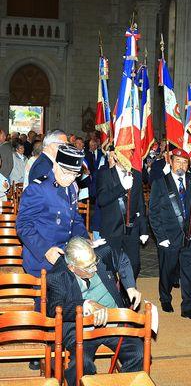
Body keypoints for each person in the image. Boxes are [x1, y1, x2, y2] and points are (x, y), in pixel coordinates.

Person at [47, 236, 142, 386]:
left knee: (138, 352)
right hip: (81, 330)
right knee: (81, 363)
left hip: (113, 322)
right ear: (72, 267)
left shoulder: (101, 254)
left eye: (94, 262)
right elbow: (54, 309)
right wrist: (85, 305)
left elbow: (122, 258)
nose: (95, 268)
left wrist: (130, 286)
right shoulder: (57, 276)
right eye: (89, 267)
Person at [149, 148, 191, 319]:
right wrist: (161, 238)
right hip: (169, 236)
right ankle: (165, 297)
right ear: (171, 162)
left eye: (185, 162)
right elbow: (153, 213)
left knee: (188, 272)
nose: (181, 165)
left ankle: (188, 306)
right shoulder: (160, 183)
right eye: (178, 161)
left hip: (189, 236)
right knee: (167, 270)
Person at [16, 144, 88, 278]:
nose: (70, 178)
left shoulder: (71, 187)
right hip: (42, 263)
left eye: (75, 174)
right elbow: (23, 226)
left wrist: (85, 242)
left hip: (65, 260)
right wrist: (46, 250)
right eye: (66, 172)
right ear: (55, 166)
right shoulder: (38, 189)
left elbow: (75, 219)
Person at [96, 148, 148, 280]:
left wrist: (143, 229)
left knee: (134, 265)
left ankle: (127, 294)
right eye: (124, 155)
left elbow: (140, 204)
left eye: (129, 154)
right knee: (110, 267)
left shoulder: (136, 175)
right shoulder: (105, 174)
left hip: (132, 228)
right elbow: (102, 200)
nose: (127, 158)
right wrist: (121, 187)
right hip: (112, 228)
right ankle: (115, 296)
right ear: (117, 156)